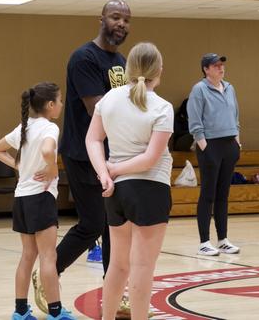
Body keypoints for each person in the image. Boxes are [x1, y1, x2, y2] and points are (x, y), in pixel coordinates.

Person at [32, 0, 132, 316]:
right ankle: (47, 273)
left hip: (113, 154)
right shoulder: (84, 58)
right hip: (83, 153)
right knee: (92, 224)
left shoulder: (122, 61)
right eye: (115, 17)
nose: (121, 24)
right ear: (101, 19)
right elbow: (97, 108)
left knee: (115, 225)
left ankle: (115, 292)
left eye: (126, 19)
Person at [86, 42, 173, 319]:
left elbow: (92, 139)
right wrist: (112, 170)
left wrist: (105, 173)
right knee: (143, 267)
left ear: (128, 68)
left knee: (118, 265)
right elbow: (150, 159)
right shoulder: (162, 107)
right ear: (159, 70)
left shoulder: (108, 99)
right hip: (150, 190)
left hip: (117, 193)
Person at [0, 82, 76, 320]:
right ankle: (56, 313)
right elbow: (48, 151)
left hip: (21, 198)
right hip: (40, 197)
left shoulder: (24, 127)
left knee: (27, 256)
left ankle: (20, 311)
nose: (61, 104)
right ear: (50, 105)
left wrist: (20, 166)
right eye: (59, 100)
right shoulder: (50, 128)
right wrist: (52, 169)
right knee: (49, 257)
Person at [187, 53, 241, 256]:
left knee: (223, 195)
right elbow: (195, 122)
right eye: (216, 65)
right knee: (208, 194)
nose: (221, 68)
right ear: (206, 69)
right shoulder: (199, 89)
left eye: (221, 65)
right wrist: (205, 147)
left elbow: (236, 117)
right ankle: (204, 242)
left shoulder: (230, 88)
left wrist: (237, 142)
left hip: (229, 145)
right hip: (210, 146)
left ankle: (223, 240)